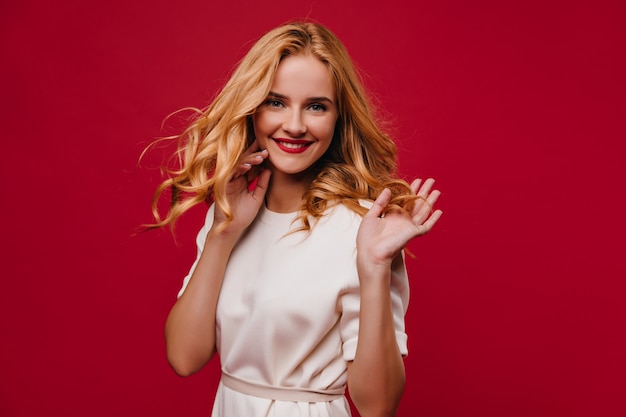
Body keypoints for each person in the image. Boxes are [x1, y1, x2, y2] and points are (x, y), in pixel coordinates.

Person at [149, 21, 442, 417]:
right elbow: (184, 358)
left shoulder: (363, 230)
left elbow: (378, 407)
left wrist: (373, 268)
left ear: (339, 117)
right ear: (252, 107)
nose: (295, 125)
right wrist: (223, 232)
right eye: (276, 102)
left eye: (316, 106)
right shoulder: (232, 210)